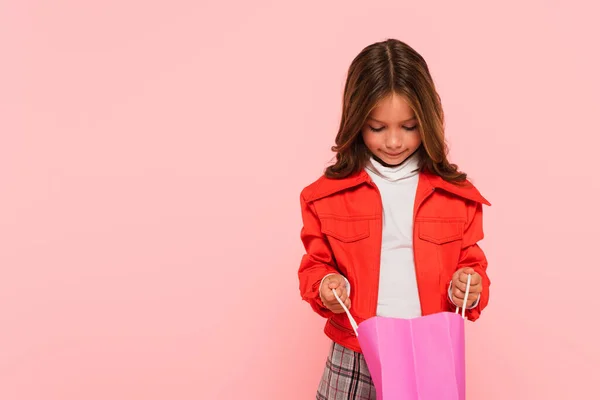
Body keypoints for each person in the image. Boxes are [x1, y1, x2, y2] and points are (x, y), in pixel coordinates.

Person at [297, 38, 491, 400]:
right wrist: (326, 282)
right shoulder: (325, 196)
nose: (393, 141)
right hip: (354, 349)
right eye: (376, 128)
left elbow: (471, 263)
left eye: (409, 126)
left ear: (428, 120)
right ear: (356, 122)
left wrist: (468, 284)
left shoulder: (455, 195)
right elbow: (315, 264)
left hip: (428, 350)